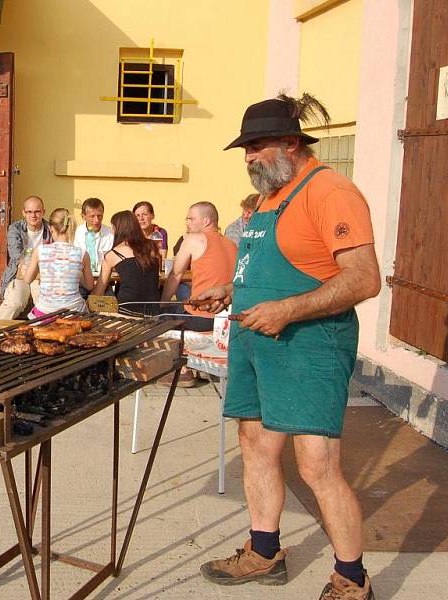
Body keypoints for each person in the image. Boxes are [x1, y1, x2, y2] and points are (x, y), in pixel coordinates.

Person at [193, 94, 381, 600]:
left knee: (317, 466)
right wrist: (231, 290)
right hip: (257, 343)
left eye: (257, 146)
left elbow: (364, 280)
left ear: (291, 143)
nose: (249, 157)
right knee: (254, 446)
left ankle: (351, 578)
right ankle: (264, 550)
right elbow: (280, 267)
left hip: (310, 344)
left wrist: (287, 311)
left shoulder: (331, 192)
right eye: (245, 149)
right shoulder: (269, 199)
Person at [160, 201, 237, 332]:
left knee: (156, 316)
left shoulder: (193, 239)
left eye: (191, 219)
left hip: (200, 316)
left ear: (206, 221)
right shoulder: (232, 244)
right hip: (227, 318)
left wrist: (162, 304)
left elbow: (176, 275)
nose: (187, 223)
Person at [0, 195, 53, 326]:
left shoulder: (50, 229)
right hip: (19, 274)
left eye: (37, 211)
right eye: (29, 212)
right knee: (15, 302)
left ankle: (43, 332)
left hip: (41, 275)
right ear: (24, 213)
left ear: (43, 212)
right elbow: (16, 256)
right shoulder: (15, 229)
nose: (33, 215)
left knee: (41, 297)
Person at [25, 208, 93, 316]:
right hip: (74, 314)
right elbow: (89, 286)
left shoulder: (40, 251)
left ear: (51, 229)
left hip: (45, 313)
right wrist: (77, 275)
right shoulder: (83, 254)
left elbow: (28, 279)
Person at [92, 210, 160, 315]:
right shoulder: (152, 247)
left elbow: (99, 291)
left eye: (113, 227)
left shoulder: (113, 254)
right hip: (154, 312)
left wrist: (88, 302)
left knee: (105, 293)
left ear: (118, 229)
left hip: (126, 312)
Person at [74, 197, 114, 280]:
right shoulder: (76, 233)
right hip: (81, 279)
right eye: (92, 216)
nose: (96, 220)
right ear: (83, 216)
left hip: (104, 279)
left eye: (99, 216)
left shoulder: (111, 234)